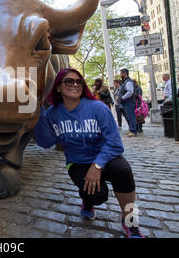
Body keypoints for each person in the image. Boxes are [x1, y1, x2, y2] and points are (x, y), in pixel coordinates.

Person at [34, 68, 145, 238]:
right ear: (58, 87)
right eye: (69, 81)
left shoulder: (98, 108)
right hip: (77, 162)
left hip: (106, 157)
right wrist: (39, 111)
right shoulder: (53, 114)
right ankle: (88, 201)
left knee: (123, 171)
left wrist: (97, 165)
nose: (75, 84)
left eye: (79, 81)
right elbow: (45, 143)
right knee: (96, 196)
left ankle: (131, 222)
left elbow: (115, 143)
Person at [119, 68, 137, 137]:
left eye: (121, 73)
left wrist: (122, 98)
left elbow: (130, 92)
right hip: (127, 102)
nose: (120, 75)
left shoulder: (128, 82)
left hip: (129, 102)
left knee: (131, 116)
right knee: (129, 116)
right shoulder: (126, 81)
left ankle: (133, 130)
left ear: (124, 73)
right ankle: (131, 129)